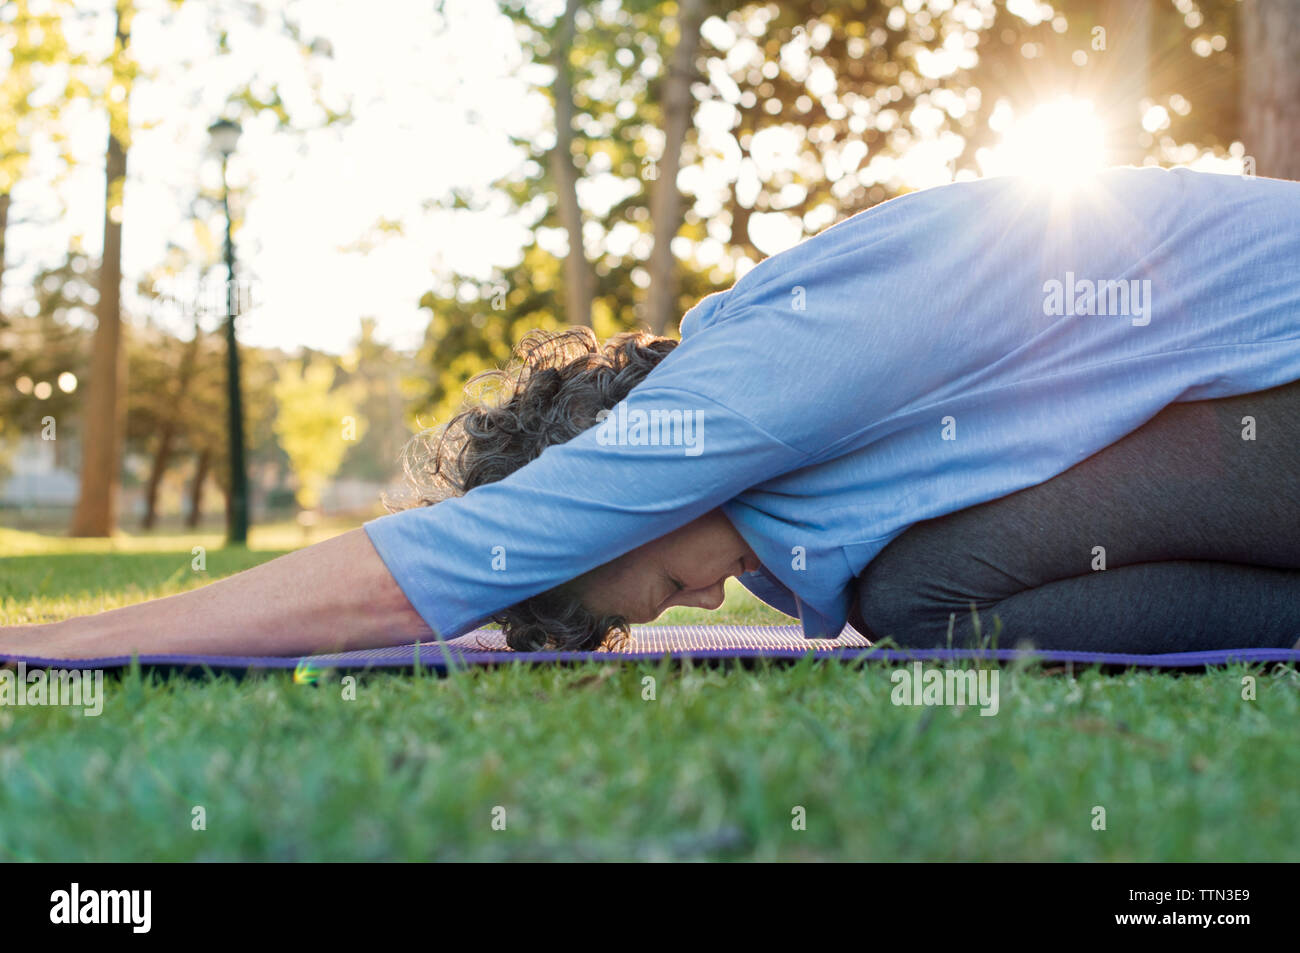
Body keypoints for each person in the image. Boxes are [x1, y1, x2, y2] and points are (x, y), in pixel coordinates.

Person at [3, 166, 1299, 660]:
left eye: (634, 589)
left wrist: (57, 648)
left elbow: (426, 575)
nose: (684, 602)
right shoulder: (782, 416)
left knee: (927, 593)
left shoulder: (733, 390)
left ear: (606, 473)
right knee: (920, 587)